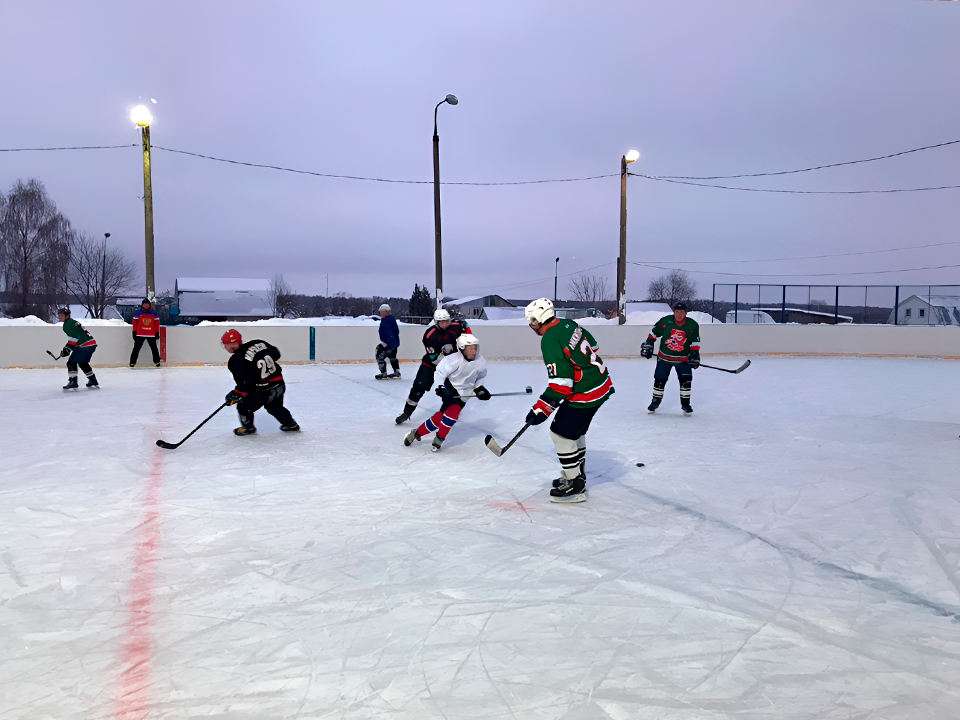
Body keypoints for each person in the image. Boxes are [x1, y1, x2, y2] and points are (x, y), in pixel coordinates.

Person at [523, 298, 614, 503]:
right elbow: (594, 346)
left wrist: (541, 409)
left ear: (539, 319)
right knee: (574, 432)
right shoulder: (568, 323)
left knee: (561, 433)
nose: (532, 326)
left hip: (586, 391)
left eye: (532, 321)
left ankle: (575, 484)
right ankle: (577, 473)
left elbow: (561, 385)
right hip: (600, 384)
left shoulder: (549, 339)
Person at [403, 333, 490, 452]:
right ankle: (440, 438)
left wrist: (479, 388)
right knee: (453, 413)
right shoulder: (453, 359)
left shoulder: (480, 361)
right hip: (450, 387)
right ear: (462, 348)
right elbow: (439, 373)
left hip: (465, 393)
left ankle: (417, 433)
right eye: (470, 348)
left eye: (475, 348)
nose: (473, 351)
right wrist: (440, 387)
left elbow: (480, 377)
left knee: (440, 417)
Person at [395, 308, 470, 424]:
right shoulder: (430, 336)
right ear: (436, 322)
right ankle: (406, 413)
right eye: (443, 322)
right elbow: (434, 359)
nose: (446, 324)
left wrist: (467, 340)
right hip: (431, 365)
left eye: (447, 321)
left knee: (452, 392)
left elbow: (464, 325)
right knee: (418, 389)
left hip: (450, 366)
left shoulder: (454, 327)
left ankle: (448, 415)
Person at [221, 329, 300, 435]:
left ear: (228, 346)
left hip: (264, 389)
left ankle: (247, 427)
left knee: (243, 406)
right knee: (274, 407)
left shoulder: (235, 361)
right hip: (279, 383)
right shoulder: (258, 343)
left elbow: (245, 385)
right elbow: (276, 354)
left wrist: (235, 394)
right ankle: (290, 424)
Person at [640, 301, 701, 414]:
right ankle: (655, 401)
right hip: (664, 359)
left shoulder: (693, 325)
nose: (679, 314)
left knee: (686, 381)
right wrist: (649, 344)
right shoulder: (666, 321)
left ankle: (685, 404)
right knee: (659, 380)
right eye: (677, 312)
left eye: (681, 312)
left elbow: (695, 343)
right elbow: (653, 333)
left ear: (685, 313)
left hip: (683, 360)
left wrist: (695, 356)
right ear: (674, 312)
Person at [56, 307, 99, 389]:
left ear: (67, 316)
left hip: (84, 346)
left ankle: (73, 381)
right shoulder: (73, 322)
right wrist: (67, 348)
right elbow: (76, 337)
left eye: (61, 315)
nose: (59, 317)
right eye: (59, 315)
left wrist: (67, 348)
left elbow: (74, 339)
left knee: (71, 362)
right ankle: (93, 380)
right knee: (83, 362)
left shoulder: (68, 324)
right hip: (92, 344)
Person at [130, 298, 162, 367]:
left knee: (154, 348)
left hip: (151, 334)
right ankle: (132, 362)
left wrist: (157, 332)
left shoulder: (154, 314)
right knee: (136, 348)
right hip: (140, 334)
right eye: (144, 305)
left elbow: (157, 324)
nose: (146, 306)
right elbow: (135, 323)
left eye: (147, 305)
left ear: (149, 305)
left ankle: (157, 362)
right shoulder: (137, 313)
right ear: (142, 305)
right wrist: (134, 332)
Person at [374, 303, 401, 379]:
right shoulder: (386, 319)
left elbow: (391, 332)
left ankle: (383, 373)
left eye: (381, 311)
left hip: (390, 344)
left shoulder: (388, 320)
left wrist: (386, 342)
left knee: (380, 357)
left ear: (387, 312)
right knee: (392, 357)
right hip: (392, 343)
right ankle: (397, 372)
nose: (380, 313)